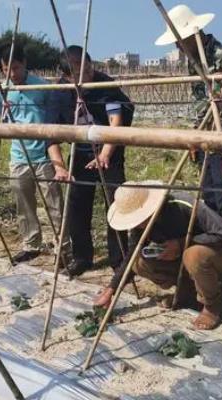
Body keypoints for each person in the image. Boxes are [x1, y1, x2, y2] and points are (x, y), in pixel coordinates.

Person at [155, 4, 222, 224]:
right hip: (206, 134)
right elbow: (201, 102)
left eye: (180, 41)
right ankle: (217, 242)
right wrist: (195, 136)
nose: (178, 46)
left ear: (194, 34)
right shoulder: (194, 59)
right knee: (208, 192)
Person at [97, 181, 222, 330]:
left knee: (193, 255)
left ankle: (212, 305)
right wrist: (111, 289)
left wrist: (181, 244)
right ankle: (187, 292)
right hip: (181, 261)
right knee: (138, 262)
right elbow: (132, 254)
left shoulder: (183, 204)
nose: (138, 225)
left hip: (217, 256)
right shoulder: (139, 226)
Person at [52, 46, 135, 278]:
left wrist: (105, 154)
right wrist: (59, 166)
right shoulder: (59, 93)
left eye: (89, 69)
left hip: (110, 150)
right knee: (77, 205)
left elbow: (115, 120)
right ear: (67, 76)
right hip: (80, 153)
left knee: (116, 203)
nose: (88, 76)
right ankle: (82, 257)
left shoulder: (103, 85)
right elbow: (50, 136)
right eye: (80, 74)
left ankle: (119, 260)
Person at [0, 44, 71, 264]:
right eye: (6, 69)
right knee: (24, 205)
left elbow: (53, 120)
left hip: (44, 155)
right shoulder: (0, 92)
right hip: (18, 155)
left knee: (55, 206)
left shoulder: (43, 87)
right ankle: (31, 245)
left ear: (24, 63)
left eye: (16, 68)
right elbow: (4, 121)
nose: (12, 74)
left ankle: (63, 249)